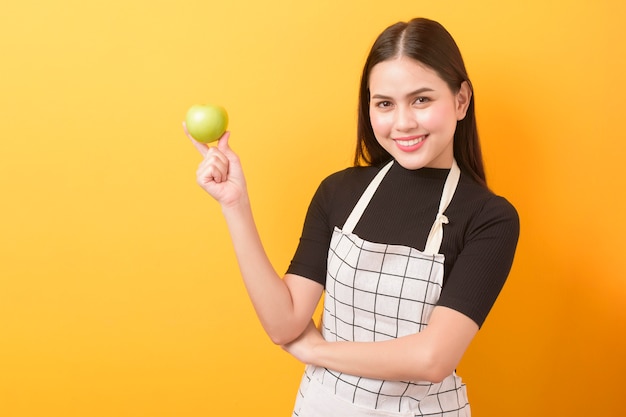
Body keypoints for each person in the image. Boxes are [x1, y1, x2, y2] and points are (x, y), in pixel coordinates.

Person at [185, 17, 519, 417]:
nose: (402, 123)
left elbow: (434, 358)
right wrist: (234, 205)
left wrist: (316, 350)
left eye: (421, 100)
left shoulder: (489, 218)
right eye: (384, 104)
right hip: (321, 406)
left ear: (461, 100)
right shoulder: (339, 192)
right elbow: (284, 322)